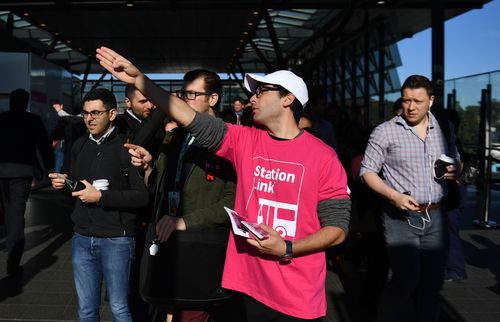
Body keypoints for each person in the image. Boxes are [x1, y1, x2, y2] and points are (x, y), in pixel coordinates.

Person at [96, 46, 351, 322]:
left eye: (262, 91)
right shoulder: (245, 141)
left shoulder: (323, 156)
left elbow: (337, 229)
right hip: (246, 288)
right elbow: (190, 117)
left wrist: (287, 248)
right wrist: (139, 80)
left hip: (297, 296)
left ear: (288, 99)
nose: (252, 98)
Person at [359, 75, 460, 322]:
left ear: (431, 101)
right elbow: (367, 171)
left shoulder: (444, 129)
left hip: (436, 214)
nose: (411, 107)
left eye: (418, 101)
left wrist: (456, 169)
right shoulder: (385, 131)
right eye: (406, 100)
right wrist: (393, 196)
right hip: (400, 218)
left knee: (432, 285)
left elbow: (457, 160)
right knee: (406, 280)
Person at [48, 88, 149, 322]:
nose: (89, 119)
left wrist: (102, 198)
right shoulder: (80, 145)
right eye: (85, 113)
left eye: (96, 113)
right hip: (82, 237)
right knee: (85, 310)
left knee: (119, 308)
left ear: (112, 114)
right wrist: (64, 185)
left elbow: (141, 197)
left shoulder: (127, 148)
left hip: (117, 239)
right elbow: (77, 189)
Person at [0, 89, 53, 276]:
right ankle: (12, 264)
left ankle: (8, 242)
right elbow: (44, 145)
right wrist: (49, 167)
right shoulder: (33, 120)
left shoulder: (1, 118)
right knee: (16, 215)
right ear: (26, 102)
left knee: (7, 212)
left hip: (2, 173)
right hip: (22, 174)